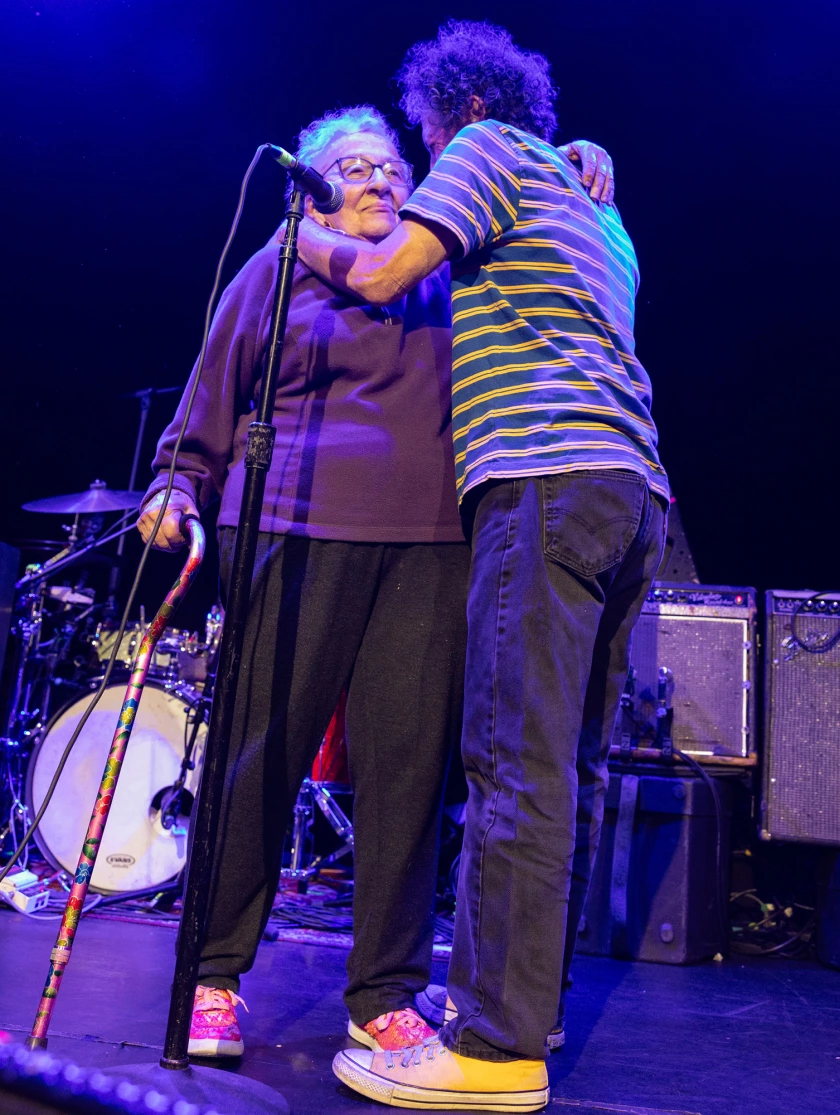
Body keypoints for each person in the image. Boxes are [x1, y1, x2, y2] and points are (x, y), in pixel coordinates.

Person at [138, 102, 616, 1062]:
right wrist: (178, 481)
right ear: (312, 185)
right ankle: (214, 976)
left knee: (406, 774)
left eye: (392, 165)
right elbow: (212, 388)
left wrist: (582, 154)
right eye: (352, 165)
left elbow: (534, 217)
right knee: (259, 757)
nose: (378, 179)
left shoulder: (451, 270)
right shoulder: (275, 268)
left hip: (434, 544)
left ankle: (386, 992)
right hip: (292, 524)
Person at [296, 22, 670, 1111]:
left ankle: (500, 1053)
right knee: (571, 768)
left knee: (512, 761)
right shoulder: (599, 206)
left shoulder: (487, 153)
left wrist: (301, 237)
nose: (415, 155)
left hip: (543, 475)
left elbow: (379, 271)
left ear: (444, 112)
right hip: (631, 491)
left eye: (416, 135)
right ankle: (530, 1006)